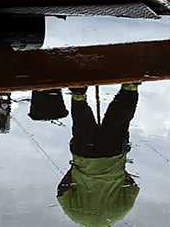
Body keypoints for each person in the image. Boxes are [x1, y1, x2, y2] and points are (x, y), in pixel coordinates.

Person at [57, 84, 141, 226]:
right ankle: (79, 96)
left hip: (113, 155)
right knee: (81, 123)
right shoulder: (76, 215)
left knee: (119, 119)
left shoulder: (118, 213)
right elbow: (62, 191)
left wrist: (119, 172)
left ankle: (130, 87)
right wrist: (74, 171)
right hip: (84, 156)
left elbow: (132, 187)